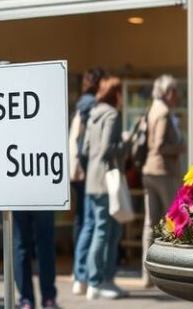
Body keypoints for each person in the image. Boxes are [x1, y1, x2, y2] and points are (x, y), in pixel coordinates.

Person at [82, 76, 130, 300]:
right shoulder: (111, 115)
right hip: (106, 181)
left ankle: (97, 280)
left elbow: (86, 149)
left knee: (102, 230)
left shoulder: (92, 115)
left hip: (93, 180)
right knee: (106, 231)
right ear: (117, 95)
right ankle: (100, 280)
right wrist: (126, 144)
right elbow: (106, 149)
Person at [141, 75, 184, 287]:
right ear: (168, 93)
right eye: (175, 91)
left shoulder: (151, 109)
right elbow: (158, 145)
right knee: (172, 220)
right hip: (162, 171)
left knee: (151, 223)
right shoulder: (165, 112)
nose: (177, 95)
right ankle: (170, 268)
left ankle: (146, 272)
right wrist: (179, 148)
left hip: (148, 170)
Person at [71, 68, 107, 295]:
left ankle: (79, 275)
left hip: (77, 170)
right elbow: (86, 143)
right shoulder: (91, 105)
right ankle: (83, 274)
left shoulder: (79, 103)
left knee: (82, 222)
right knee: (90, 223)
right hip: (86, 170)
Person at [12, 209, 57, 309]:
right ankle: (48, 298)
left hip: (19, 198)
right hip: (43, 197)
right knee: (45, 244)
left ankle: (26, 300)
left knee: (21, 244)